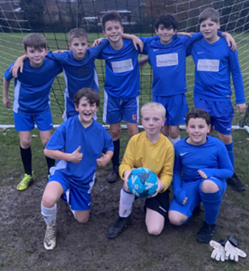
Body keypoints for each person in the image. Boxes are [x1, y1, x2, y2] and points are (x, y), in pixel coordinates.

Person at [134, 14, 235, 146]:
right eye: (162, 29)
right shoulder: (150, 44)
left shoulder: (182, 41)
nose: (165, 32)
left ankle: (176, 155)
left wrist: (225, 34)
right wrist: (111, 39)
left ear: (175, 31)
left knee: (174, 131)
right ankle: (163, 154)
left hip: (177, 94)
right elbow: (130, 40)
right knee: (162, 130)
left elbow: (205, 32)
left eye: (169, 29)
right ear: (156, 30)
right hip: (159, 94)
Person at [41, 88, 114, 250]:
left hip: (84, 180)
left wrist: (107, 158)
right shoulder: (67, 125)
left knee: (83, 220)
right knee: (48, 199)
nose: (88, 109)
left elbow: (110, 147)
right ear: (77, 107)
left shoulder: (100, 130)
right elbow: (48, 151)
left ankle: (67, 195)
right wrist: (69, 158)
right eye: (84, 105)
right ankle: (50, 227)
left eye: (92, 105)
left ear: (96, 108)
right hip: (64, 173)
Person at [187, 8, 246, 192]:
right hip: (202, 98)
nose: (207, 28)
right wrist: (221, 32)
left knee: (225, 137)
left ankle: (230, 173)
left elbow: (236, 73)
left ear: (218, 25)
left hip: (222, 99)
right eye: (203, 25)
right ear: (199, 27)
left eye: (211, 25)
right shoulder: (195, 44)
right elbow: (178, 36)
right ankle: (207, 167)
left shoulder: (228, 46)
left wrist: (241, 99)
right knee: (204, 134)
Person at [3, 33, 62, 190]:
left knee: (47, 142)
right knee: (26, 141)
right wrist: (5, 97)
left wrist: (56, 53)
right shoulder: (19, 66)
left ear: (46, 51)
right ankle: (28, 174)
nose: (37, 55)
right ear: (26, 53)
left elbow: (70, 55)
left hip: (43, 108)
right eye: (32, 51)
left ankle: (52, 172)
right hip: (22, 109)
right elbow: (6, 77)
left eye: (40, 50)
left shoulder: (52, 63)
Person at [107, 102, 174, 239]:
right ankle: (124, 217)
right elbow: (125, 164)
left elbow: (167, 173)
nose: (151, 123)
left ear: (163, 122)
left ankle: (149, 205)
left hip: (156, 186)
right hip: (136, 182)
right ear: (141, 121)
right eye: (147, 119)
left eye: (156, 119)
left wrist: (161, 185)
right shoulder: (135, 141)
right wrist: (126, 173)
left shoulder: (168, 146)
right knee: (127, 184)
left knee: (154, 230)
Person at [10, 28, 110, 120]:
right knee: (71, 123)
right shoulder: (63, 57)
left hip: (91, 95)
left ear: (88, 46)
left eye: (83, 44)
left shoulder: (92, 53)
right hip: (71, 97)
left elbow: (106, 41)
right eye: (76, 45)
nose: (80, 48)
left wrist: (101, 39)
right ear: (69, 46)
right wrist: (21, 58)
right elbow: (42, 53)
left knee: (89, 122)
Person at [168, 108, 233, 243]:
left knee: (207, 185)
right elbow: (175, 172)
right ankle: (195, 202)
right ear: (186, 128)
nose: (196, 130)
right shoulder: (179, 147)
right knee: (174, 219)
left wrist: (210, 173)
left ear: (208, 128)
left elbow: (228, 171)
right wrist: (178, 190)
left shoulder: (218, 145)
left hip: (212, 182)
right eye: (192, 126)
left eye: (201, 127)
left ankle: (210, 224)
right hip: (190, 183)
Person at [97, 11, 144, 183]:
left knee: (133, 132)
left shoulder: (134, 44)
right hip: (113, 97)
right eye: (109, 29)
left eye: (117, 28)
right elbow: (81, 52)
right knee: (115, 131)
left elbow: (160, 40)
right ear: (104, 32)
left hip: (131, 96)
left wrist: (131, 36)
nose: (113, 31)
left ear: (122, 29)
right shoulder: (103, 48)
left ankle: (135, 167)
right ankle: (115, 167)